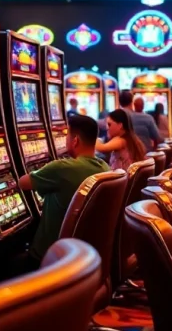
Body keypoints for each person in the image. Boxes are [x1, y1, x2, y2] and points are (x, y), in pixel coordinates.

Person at [17, 114, 109, 267]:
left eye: (67, 134)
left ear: (75, 140)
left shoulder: (62, 168)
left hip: (50, 258)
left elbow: (22, 183)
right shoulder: (105, 167)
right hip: (84, 256)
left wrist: (46, 168)